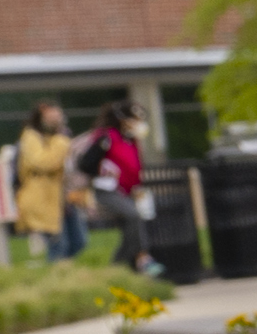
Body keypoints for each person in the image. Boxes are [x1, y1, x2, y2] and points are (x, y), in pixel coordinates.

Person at [83, 100, 155, 273]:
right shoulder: (106, 137)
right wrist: (102, 170)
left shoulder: (131, 140)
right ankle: (142, 258)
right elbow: (85, 163)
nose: (138, 123)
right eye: (134, 119)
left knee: (133, 227)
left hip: (128, 191)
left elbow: (134, 165)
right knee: (132, 215)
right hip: (107, 190)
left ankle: (118, 267)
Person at [10, 102, 75, 263]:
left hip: (60, 196)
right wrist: (61, 143)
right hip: (39, 196)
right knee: (58, 243)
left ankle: (60, 271)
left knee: (77, 240)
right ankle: (53, 273)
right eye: (52, 117)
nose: (56, 121)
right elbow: (43, 162)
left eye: (58, 116)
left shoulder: (55, 138)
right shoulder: (32, 137)